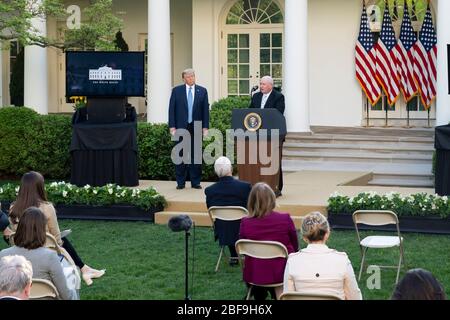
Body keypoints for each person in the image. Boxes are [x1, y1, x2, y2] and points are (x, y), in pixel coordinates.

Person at [4, 171, 105, 286]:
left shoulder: (13, 207)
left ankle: (85, 269)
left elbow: (15, 234)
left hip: (21, 253)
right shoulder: (47, 207)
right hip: (46, 253)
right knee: (62, 240)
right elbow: (57, 239)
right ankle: (84, 269)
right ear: (39, 187)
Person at [0, 207, 79, 300]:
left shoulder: (4, 255)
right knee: (73, 280)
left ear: (20, 228)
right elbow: (66, 296)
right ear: (41, 230)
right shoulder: (50, 256)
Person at [283, 212, 362, 300]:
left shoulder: (293, 261)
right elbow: (354, 296)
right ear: (327, 234)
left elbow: (287, 296)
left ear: (304, 237)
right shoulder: (342, 260)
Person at [239, 182, 298, 300]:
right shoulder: (284, 219)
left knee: (260, 264)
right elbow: (295, 246)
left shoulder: (245, 222)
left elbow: (243, 248)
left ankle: (259, 293)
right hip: (281, 273)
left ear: (251, 201)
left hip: (255, 273)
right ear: (272, 199)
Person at [205, 156, 252, 266]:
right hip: (243, 227)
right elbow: (251, 208)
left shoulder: (210, 191)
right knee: (240, 220)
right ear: (230, 169)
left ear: (216, 171)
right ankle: (245, 253)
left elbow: (210, 209)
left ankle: (234, 256)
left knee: (229, 221)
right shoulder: (244, 187)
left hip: (222, 229)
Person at [169, 68, 210, 190]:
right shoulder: (177, 91)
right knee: (180, 156)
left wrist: (205, 127)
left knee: (196, 156)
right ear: (183, 78)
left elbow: (205, 111)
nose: (191, 78)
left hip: (196, 126)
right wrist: (172, 126)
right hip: (181, 127)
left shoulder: (202, 91)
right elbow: (171, 110)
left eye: (192, 76)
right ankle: (180, 183)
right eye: (188, 76)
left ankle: (195, 182)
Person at [249, 76, 285, 197]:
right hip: (257, 134)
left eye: (263, 84)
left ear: (270, 85)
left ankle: (277, 187)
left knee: (274, 161)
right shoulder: (256, 96)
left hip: (273, 134)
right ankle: (259, 186)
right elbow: (250, 112)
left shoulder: (278, 97)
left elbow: (278, 114)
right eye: (260, 84)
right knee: (259, 161)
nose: (261, 86)